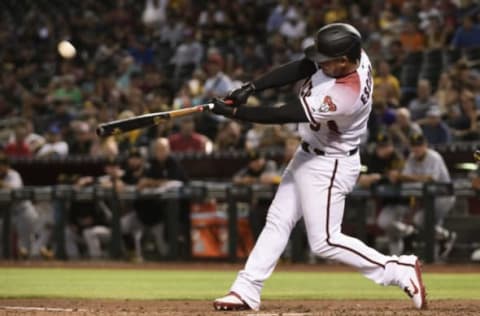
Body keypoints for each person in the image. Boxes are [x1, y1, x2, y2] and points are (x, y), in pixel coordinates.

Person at [211, 23, 426, 311]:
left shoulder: (345, 93)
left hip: (330, 163)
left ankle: (398, 268)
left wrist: (236, 113)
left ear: (345, 61)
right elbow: (302, 66)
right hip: (308, 154)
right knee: (278, 220)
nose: (320, 62)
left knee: (324, 241)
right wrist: (252, 87)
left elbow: (283, 114)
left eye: (326, 59)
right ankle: (246, 290)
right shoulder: (352, 53)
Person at [393, 133, 457, 260]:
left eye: (419, 145)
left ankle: (444, 238)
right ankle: (444, 239)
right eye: (414, 146)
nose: (416, 149)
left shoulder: (434, 157)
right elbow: (405, 178)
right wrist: (414, 179)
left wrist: (409, 178)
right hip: (427, 197)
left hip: (443, 197)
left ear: (425, 145)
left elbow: (431, 179)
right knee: (423, 221)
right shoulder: (411, 157)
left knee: (421, 220)